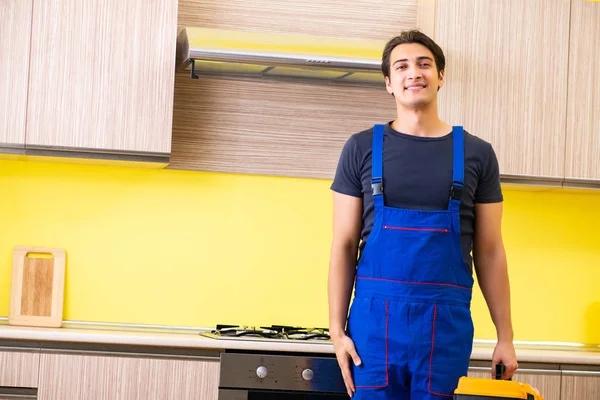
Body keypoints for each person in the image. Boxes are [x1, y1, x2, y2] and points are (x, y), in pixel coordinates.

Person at [327, 29, 518, 399]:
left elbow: (491, 251)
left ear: (440, 77)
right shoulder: (360, 148)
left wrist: (505, 337)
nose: (413, 72)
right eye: (402, 66)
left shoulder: (477, 154)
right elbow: (345, 244)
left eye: (424, 64)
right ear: (389, 83)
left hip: (444, 330)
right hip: (372, 332)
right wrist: (337, 331)